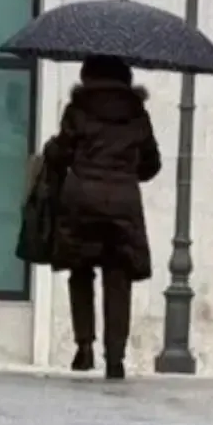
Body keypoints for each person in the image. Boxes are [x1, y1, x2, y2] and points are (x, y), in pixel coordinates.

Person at [42, 56, 161, 380]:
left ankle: (84, 347)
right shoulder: (137, 113)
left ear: (87, 74)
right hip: (122, 201)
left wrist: (55, 149)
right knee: (118, 278)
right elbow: (151, 164)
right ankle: (115, 358)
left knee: (81, 273)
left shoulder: (78, 109)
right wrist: (125, 170)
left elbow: (60, 152)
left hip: (81, 199)